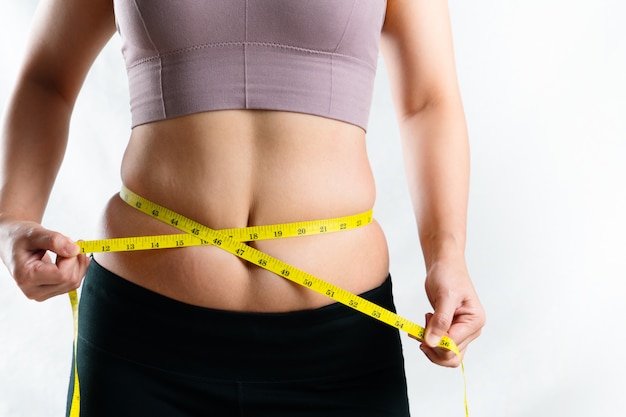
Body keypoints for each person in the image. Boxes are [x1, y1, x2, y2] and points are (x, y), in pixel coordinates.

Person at [0, 0, 486, 416]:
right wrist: (12, 219)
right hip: (138, 343)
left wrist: (448, 259)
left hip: (341, 355)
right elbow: (48, 78)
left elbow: (428, 100)